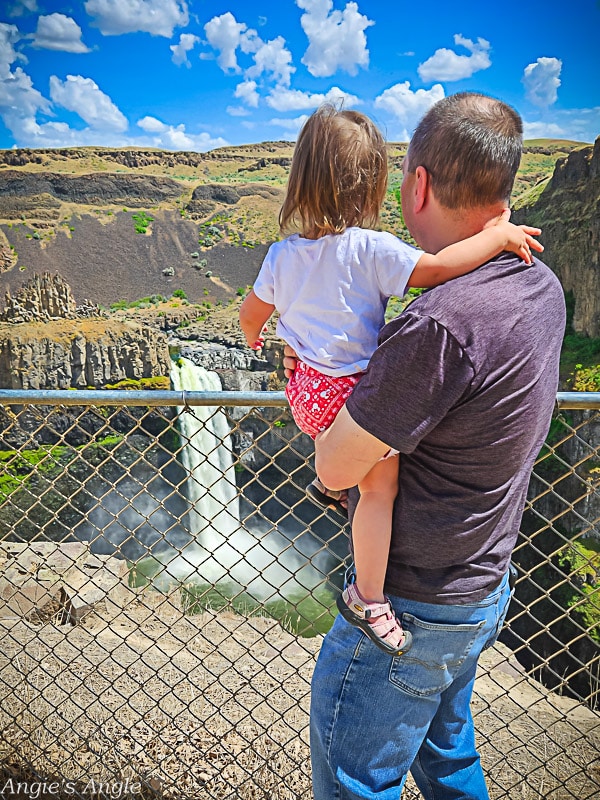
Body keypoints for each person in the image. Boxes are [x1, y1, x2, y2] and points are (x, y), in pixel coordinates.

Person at [282, 92, 566, 800]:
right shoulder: (540, 281)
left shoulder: (440, 324)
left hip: (413, 607)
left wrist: (316, 386)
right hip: (482, 584)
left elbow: (335, 464)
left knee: (356, 781)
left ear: (418, 184)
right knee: (447, 760)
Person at [239, 104, 543, 659]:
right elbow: (439, 268)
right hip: (350, 394)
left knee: (340, 459)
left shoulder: (282, 255)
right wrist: (499, 237)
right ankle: (369, 596)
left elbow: (250, 315)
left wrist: (269, 338)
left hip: (305, 390)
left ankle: (331, 482)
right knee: (380, 489)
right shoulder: (371, 249)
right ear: (375, 184)